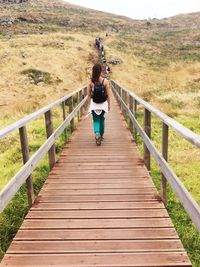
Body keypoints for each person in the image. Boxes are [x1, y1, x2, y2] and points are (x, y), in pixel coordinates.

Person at [87, 63, 110, 146]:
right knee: (102, 119)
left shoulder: (90, 82)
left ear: (93, 71)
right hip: (103, 104)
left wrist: (88, 105)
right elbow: (108, 95)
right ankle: (101, 134)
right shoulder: (105, 81)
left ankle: (97, 133)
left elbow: (89, 95)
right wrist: (109, 105)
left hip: (94, 104)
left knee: (96, 120)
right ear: (100, 71)